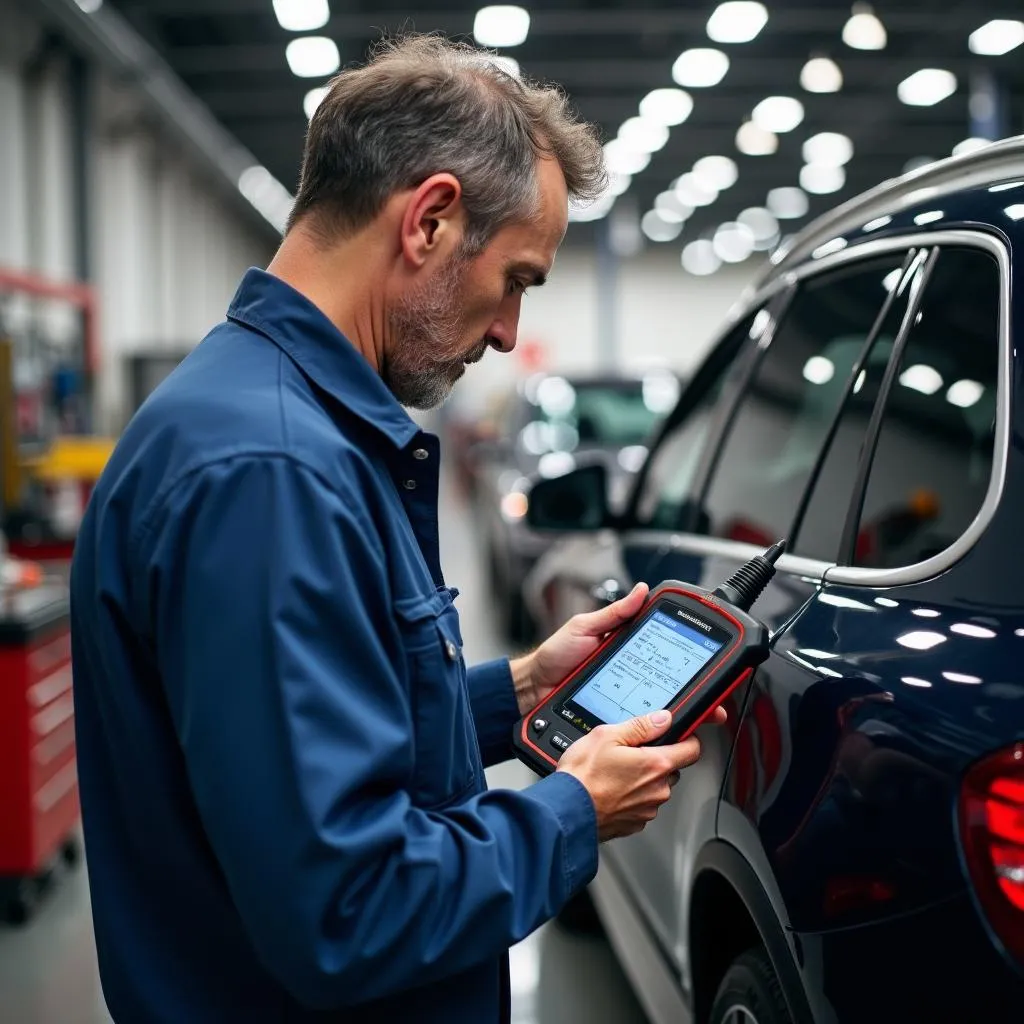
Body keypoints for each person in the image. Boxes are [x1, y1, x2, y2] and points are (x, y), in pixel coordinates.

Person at [70, 35, 724, 1023]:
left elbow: (300, 746)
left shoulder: (262, 419)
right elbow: (349, 910)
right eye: (515, 279)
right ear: (429, 220)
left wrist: (516, 693)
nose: (508, 330)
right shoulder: (273, 473)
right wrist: (571, 813)